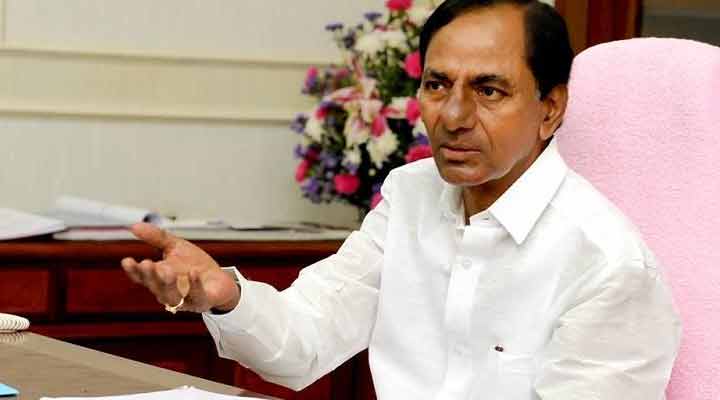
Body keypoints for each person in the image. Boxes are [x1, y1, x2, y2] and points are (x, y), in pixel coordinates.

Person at [121, 1, 681, 398]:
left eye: (488, 90)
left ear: (550, 109)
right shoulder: (410, 194)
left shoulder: (608, 265)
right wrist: (228, 297)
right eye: (438, 85)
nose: (454, 116)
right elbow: (305, 341)